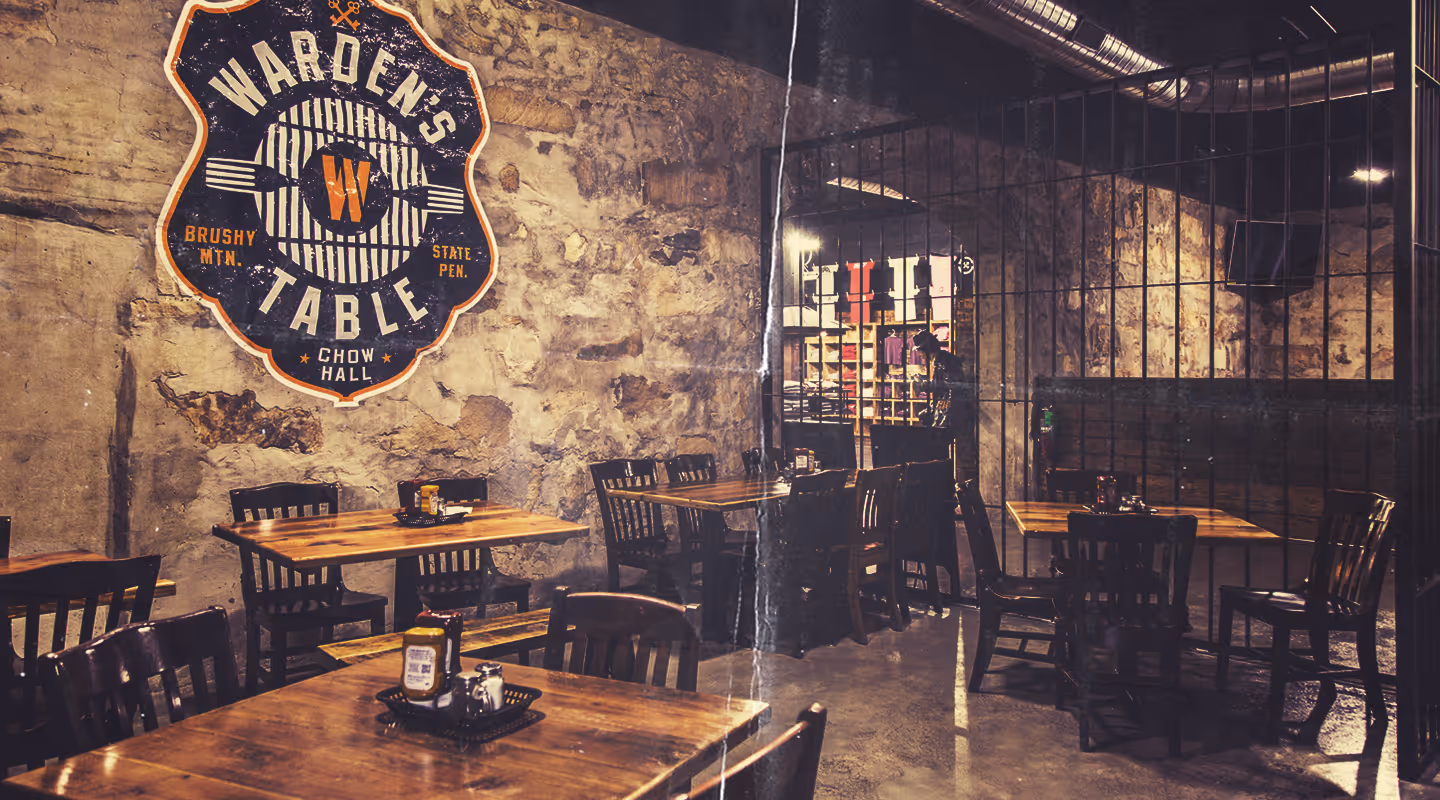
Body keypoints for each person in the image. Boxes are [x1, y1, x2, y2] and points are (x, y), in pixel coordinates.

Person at [912, 330, 968, 429]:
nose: (920, 355)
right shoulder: (940, 360)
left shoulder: (944, 361)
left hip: (948, 406)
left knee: (938, 432)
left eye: (921, 351)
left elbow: (952, 385)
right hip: (944, 403)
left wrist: (948, 404)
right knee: (924, 417)